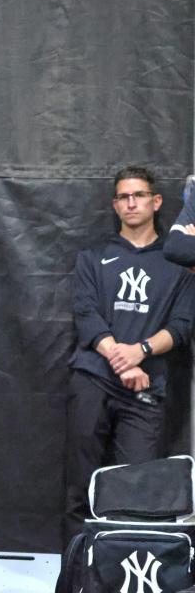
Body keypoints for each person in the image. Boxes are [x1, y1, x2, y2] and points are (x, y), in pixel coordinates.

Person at [63, 167, 194, 544]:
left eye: (138, 195)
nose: (131, 203)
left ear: (156, 202)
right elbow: (86, 314)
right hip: (93, 378)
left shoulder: (179, 263)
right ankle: (77, 583)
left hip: (147, 388)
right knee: (80, 485)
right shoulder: (94, 256)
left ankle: (121, 584)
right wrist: (120, 358)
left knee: (135, 490)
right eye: (123, 197)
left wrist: (141, 351)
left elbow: (183, 325)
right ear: (114, 205)